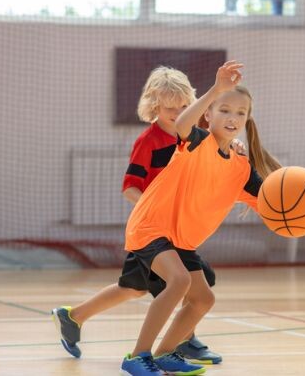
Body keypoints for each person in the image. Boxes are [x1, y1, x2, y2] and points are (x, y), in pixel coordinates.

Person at [118, 60, 305, 375]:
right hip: (150, 225)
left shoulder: (240, 168)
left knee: (203, 299)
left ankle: (166, 352)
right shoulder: (197, 142)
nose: (232, 117)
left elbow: (274, 208)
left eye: (240, 112)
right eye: (224, 110)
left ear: (247, 120)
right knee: (179, 281)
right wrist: (215, 89)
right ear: (208, 114)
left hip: (179, 239)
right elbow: (182, 123)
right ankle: (138, 356)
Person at [52, 67, 226, 365]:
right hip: (153, 232)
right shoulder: (148, 142)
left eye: (184, 106)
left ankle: (73, 316)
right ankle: (184, 341)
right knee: (179, 281)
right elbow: (130, 188)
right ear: (154, 107)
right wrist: (155, 207)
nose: (178, 113)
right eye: (170, 108)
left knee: (133, 288)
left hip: (178, 230)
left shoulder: (194, 137)